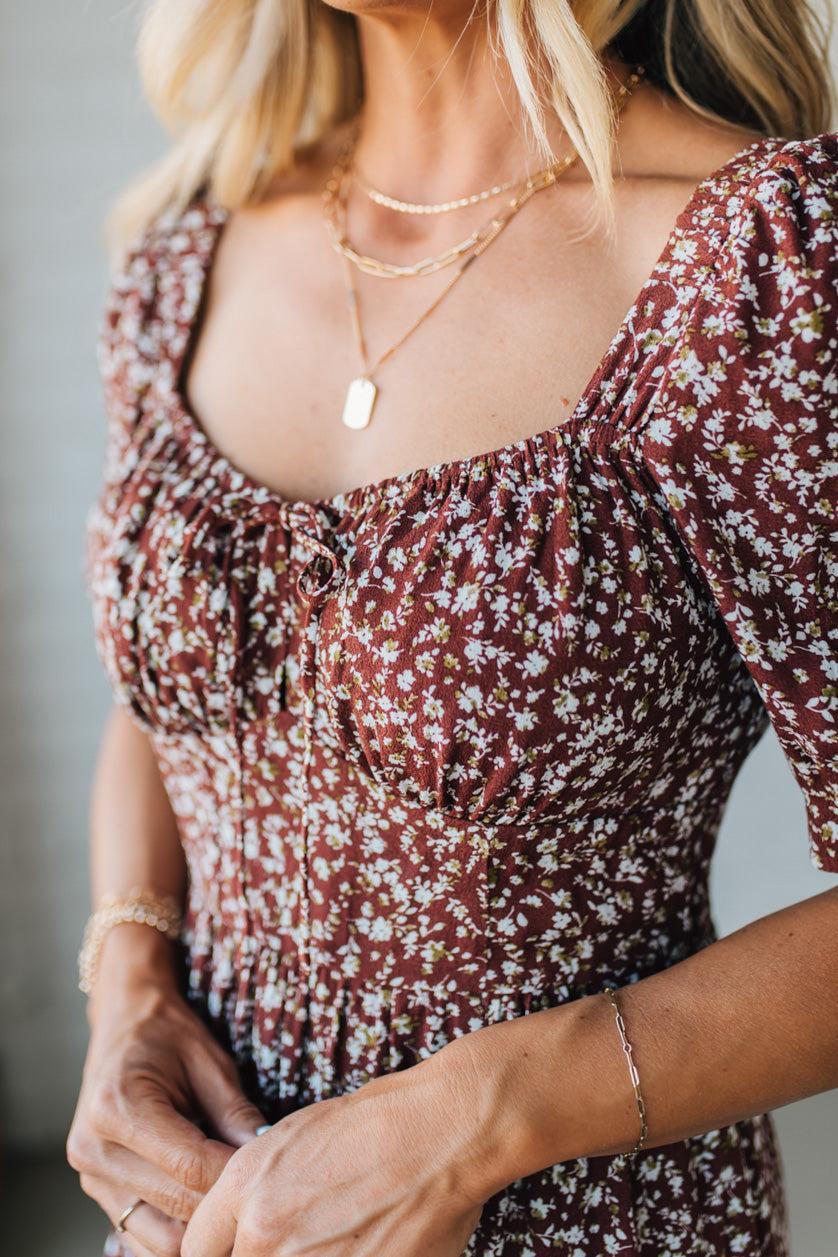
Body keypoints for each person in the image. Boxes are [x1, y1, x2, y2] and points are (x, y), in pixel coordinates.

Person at [67, 0, 837, 1254]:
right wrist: (129, 989)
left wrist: (483, 1117)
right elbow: (172, 701)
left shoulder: (764, 260)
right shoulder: (187, 245)